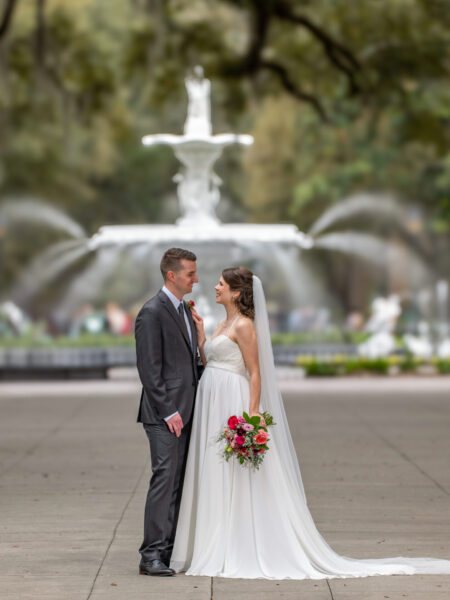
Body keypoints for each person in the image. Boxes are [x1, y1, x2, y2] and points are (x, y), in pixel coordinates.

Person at [170, 266, 450, 579]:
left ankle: (234, 544)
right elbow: (215, 363)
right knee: (214, 469)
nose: (215, 287)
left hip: (231, 402)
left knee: (236, 475)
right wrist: (202, 337)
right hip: (211, 398)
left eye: (221, 284)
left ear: (236, 292)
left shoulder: (246, 325)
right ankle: (212, 539)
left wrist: (250, 417)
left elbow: (255, 372)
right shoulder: (223, 322)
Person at [135, 247, 201, 577]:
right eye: (191, 273)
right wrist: (169, 411)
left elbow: (189, 364)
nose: (196, 279)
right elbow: (149, 369)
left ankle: (169, 549)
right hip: (165, 416)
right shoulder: (151, 312)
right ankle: (150, 555)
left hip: (187, 411)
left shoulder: (185, 310)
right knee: (164, 480)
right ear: (172, 275)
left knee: (177, 482)